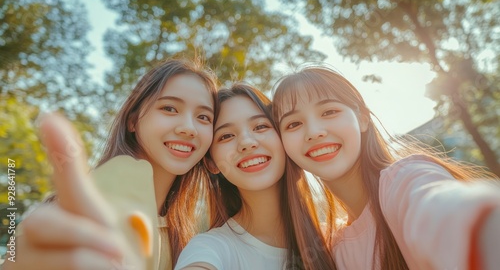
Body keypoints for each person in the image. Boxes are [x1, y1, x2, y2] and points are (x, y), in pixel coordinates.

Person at [271, 65, 500, 270]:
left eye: (329, 111)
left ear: (362, 118)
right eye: (294, 124)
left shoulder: (404, 180)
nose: (314, 131)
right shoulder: (330, 249)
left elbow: (446, 211)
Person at [2, 58, 219, 270]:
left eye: (203, 117)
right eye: (169, 108)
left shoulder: (181, 230)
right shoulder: (124, 171)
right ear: (133, 120)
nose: (189, 127)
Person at [174, 84, 337, 270]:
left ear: (284, 139)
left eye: (260, 126)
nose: (246, 142)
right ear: (211, 163)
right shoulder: (210, 249)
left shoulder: (334, 240)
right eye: (226, 136)